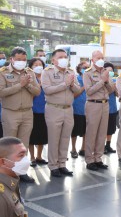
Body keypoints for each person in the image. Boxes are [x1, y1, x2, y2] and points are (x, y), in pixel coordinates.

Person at [0, 47, 40, 183]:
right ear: (11, 59)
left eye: (24, 60)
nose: (21, 62)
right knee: (9, 145)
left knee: (24, 144)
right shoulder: (3, 72)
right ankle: (6, 173)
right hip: (10, 112)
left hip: (27, 112)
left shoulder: (30, 72)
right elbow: (1, 92)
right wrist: (20, 84)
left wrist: (27, 84)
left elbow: (37, 91)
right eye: (18, 59)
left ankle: (22, 172)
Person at [41, 49, 80, 178]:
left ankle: (62, 164)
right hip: (53, 109)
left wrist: (72, 84)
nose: (64, 59)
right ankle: (53, 166)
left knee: (65, 138)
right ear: (53, 60)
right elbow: (47, 90)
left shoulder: (71, 71)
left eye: (65, 56)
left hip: (68, 109)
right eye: (60, 57)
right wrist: (65, 84)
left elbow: (77, 89)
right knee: (54, 138)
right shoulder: (47, 72)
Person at [83, 50, 114, 171]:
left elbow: (111, 90)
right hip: (93, 104)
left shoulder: (106, 72)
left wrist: (106, 81)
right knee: (92, 133)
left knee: (102, 133)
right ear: (92, 60)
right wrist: (102, 81)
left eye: (102, 57)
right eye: (98, 58)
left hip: (105, 104)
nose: (101, 59)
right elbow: (89, 91)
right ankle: (89, 159)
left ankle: (98, 158)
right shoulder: (88, 73)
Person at [0, 137, 29, 217]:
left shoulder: (11, 182)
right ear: (3, 162)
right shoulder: (1, 197)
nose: (26, 160)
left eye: (25, 155)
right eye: (21, 155)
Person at [28, 58, 48, 167]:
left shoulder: (46, 77)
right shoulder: (30, 78)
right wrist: (37, 87)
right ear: (31, 67)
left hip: (45, 111)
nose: (38, 66)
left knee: (42, 135)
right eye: (35, 64)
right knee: (32, 135)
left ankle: (39, 156)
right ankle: (32, 157)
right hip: (32, 111)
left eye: (40, 64)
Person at [71, 61, 89, 158]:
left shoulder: (90, 79)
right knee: (74, 131)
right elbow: (74, 94)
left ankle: (83, 148)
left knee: (85, 130)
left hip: (88, 109)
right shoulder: (76, 79)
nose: (86, 69)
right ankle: (73, 149)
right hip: (77, 109)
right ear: (79, 69)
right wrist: (84, 87)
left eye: (87, 67)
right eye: (84, 67)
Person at [104, 62, 118, 154]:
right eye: (108, 70)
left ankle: (108, 145)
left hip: (113, 107)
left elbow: (117, 94)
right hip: (104, 107)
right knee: (104, 128)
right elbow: (108, 92)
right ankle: (101, 146)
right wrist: (112, 86)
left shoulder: (114, 80)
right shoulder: (103, 81)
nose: (110, 72)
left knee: (111, 128)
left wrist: (115, 87)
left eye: (112, 70)